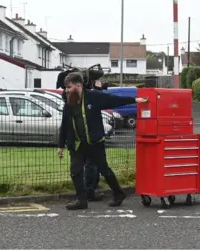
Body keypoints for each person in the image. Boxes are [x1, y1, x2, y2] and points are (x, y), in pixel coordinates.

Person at [57, 72, 147, 210]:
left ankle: (118, 194)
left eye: (69, 87)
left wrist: (135, 100)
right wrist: (60, 145)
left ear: (78, 85)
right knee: (75, 171)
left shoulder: (93, 97)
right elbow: (64, 125)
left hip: (95, 142)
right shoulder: (68, 102)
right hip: (77, 144)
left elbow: (114, 99)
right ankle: (81, 200)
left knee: (104, 169)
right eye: (66, 87)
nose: (66, 90)